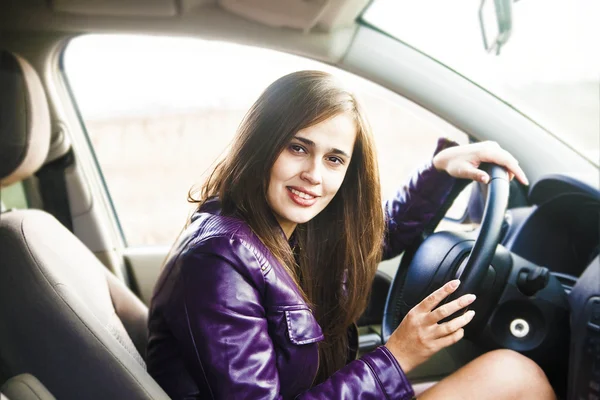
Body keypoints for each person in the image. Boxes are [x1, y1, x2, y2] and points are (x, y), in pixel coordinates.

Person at [146, 70, 555, 399]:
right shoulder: (221, 258)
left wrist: (439, 170)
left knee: (511, 376)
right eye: (297, 148)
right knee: (513, 376)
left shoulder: (290, 232)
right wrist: (397, 356)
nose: (314, 175)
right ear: (261, 144)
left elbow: (374, 239)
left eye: (334, 158)